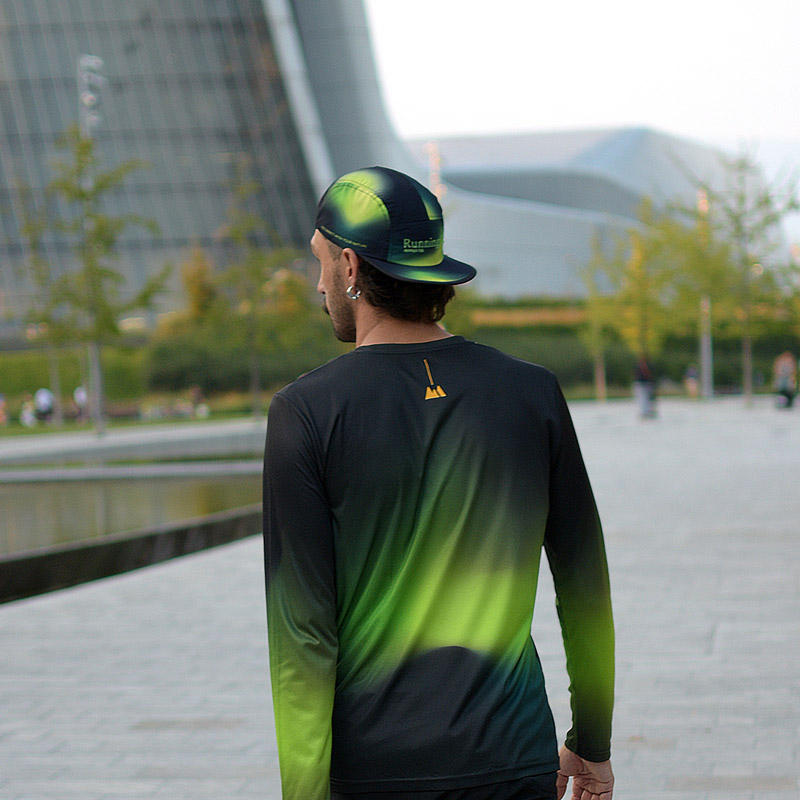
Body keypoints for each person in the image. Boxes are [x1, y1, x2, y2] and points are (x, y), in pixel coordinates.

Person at [263, 167, 615, 800]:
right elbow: (583, 581)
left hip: (377, 773)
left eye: (319, 261)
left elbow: (303, 635)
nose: (318, 283)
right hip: (513, 760)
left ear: (350, 266)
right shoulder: (532, 392)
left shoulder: (307, 412)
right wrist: (591, 740)